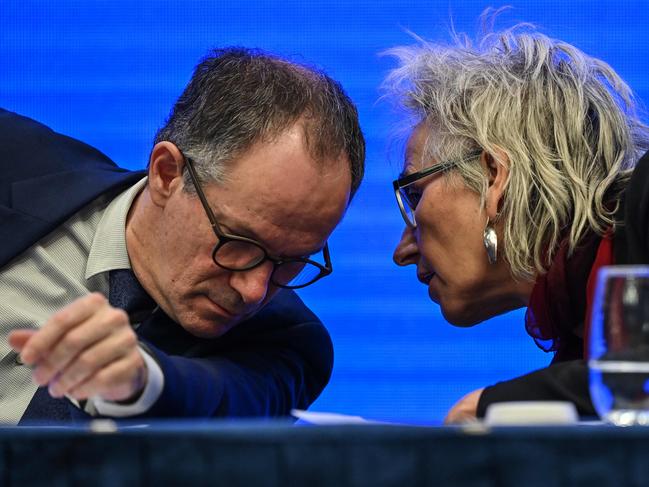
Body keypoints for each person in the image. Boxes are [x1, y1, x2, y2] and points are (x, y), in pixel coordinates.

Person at [1, 47, 365, 424]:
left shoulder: (286, 341)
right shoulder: (12, 158)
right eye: (240, 243)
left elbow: (224, 396)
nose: (254, 291)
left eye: (292, 261)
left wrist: (143, 380)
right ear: (167, 174)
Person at [384, 23, 649, 422]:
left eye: (416, 195)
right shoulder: (580, 341)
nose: (402, 251)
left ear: (494, 177)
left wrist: (493, 406)